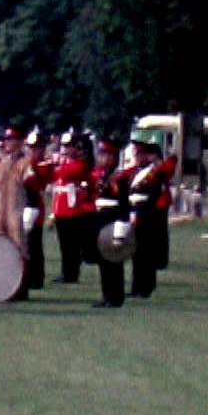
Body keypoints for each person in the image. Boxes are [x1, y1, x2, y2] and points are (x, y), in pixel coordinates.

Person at [0, 125, 30, 300]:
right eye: (6, 139)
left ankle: (20, 287)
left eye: (11, 140)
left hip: (15, 208)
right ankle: (4, 285)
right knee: (0, 244)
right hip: (1, 208)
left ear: (20, 142)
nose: (7, 143)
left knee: (19, 246)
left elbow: (30, 183)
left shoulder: (25, 162)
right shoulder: (3, 162)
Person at [50, 129, 95, 284]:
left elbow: (66, 173)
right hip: (61, 207)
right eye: (65, 146)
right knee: (64, 244)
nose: (66, 149)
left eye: (70, 146)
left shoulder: (80, 164)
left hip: (72, 208)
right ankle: (66, 272)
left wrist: (60, 163)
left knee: (71, 245)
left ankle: (71, 274)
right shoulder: (65, 161)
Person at [91, 136, 129, 308]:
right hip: (101, 217)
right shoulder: (103, 175)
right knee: (102, 259)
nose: (101, 158)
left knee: (113, 260)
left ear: (113, 157)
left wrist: (121, 228)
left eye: (105, 155)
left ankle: (116, 296)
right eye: (101, 154)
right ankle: (106, 294)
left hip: (113, 218)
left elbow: (123, 204)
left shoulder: (119, 178)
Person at [125, 135, 164, 299]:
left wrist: (139, 213)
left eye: (139, 154)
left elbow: (152, 196)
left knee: (146, 253)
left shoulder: (152, 173)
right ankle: (136, 286)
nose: (137, 158)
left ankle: (146, 286)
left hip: (147, 216)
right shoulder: (135, 173)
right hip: (134, 213)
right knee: (136, 252)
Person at [21, 127, 51, 291]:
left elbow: (34, 181)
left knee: (34, 244)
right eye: (31, 148)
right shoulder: (27, 163)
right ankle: (28, 275)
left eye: (36, 148)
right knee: (27, 243)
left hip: (34, 207)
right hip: (25, 205)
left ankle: (37, 277)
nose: (32, 151)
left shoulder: (43, 164)